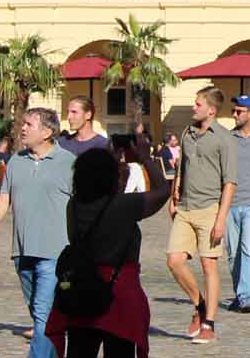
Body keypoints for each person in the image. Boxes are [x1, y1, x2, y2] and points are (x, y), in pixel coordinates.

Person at [45, 131, 171, 358]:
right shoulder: (124, 205)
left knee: (80, 352)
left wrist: (107, 157)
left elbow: (99, 193)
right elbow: (163, 192)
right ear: (111, 176)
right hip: (119, 291)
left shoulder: (74, 205)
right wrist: (144, 158)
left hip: (81, 287)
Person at [0, 107, 79, 358]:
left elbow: (83, 206)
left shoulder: (70, 164)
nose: (22, 128)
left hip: (55, 253)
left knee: (43, 317)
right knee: (43, 315)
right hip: (22, 252)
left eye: (29, 125)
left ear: (47, 132)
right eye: (23, 123)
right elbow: (3, 201)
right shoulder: (16, 162)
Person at [167, 86, 233, 344]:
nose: (193, 108)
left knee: (209, 265)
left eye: (197, 104)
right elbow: (181, 167)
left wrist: (221, 219)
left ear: (211, 110)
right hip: (185, 207)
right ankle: (199, 304)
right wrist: (174, 195)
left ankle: (209, 322)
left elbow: (230, 182)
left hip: (210, 209)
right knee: (174, 261)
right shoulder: (187, 133)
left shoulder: (224, 138)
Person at [219, 96, 250, 314]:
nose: (234, 114)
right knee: (233, 254)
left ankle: (245, 297)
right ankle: (240, 293)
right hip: (230, 203)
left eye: (239, 111)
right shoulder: (227, 139)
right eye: (234, 110)